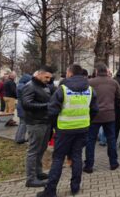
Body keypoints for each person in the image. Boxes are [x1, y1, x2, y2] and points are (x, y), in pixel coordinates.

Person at [36, 64, 98, 197]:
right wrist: (86, 121)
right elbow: (95, 110)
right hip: (82, 128)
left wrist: (55, 126)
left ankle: (50, 190)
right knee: (76, 157)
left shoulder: (62, 89)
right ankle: (75, 187)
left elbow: (52, 111)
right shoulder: (90, 90)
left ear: (69, 73)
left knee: (58, 159)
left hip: (64, 129)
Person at [84, 63, 120, 173]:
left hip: (94, 115)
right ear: (106, 71)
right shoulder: (113, 82)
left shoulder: (90, 82)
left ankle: (89, 166)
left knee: (90, 141)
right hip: (110, 115)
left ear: (96, 71)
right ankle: (113, 163)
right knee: (111, 140)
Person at [22, 66, 54, 188]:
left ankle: (38, 173)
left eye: (50, 78)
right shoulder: (30, 86)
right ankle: (30, 179)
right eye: (46, 77)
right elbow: (26, 104)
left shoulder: (43, 86)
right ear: (39, 74)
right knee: (33, 151)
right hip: (35, 123)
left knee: (41, 149)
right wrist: (47, 105)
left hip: (45, 122)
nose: (48, 80)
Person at [14, 74, 32, 144]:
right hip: (23, 107)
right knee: (23, 124)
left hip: (20, 106)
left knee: (22, 123)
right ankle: (20, 138)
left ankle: (18, 138)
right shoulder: (22, 87)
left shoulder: (20, 85)